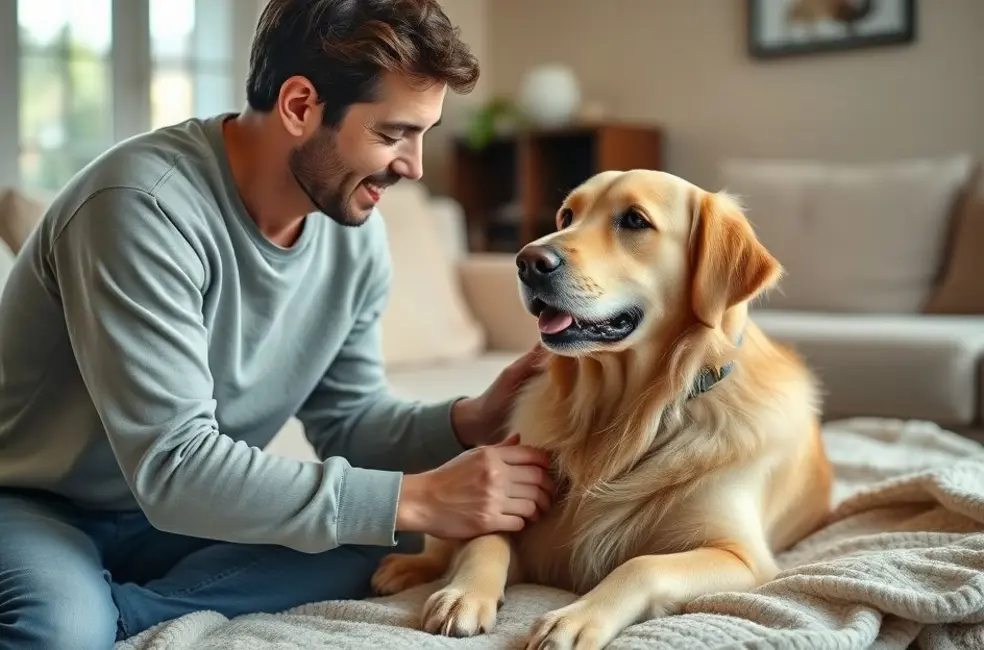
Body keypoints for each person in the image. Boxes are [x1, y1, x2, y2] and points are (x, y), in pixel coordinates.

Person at [0, 1, 556, 648]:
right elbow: (175, 466)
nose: (415, 166)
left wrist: (472, 420)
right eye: (393, 134)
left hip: (184, 516)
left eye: (422, 134)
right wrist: (421, 496)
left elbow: (348, 422)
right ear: (299, 105)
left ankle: (124, 613)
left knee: (391, 535)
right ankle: (89, 611)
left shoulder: (355, 238)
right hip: (40, 502)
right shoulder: (140, 207)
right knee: (60, 629)